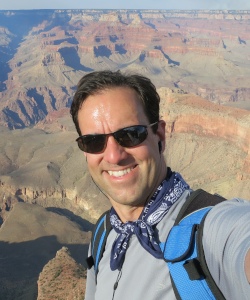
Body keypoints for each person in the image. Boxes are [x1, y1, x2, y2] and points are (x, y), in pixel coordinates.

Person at [70, 70, 250, 300]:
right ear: (85, 152)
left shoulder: (209, 233)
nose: (114, 156)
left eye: (131, 134)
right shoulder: (103, 236)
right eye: (94, 141)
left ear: (160, 136)